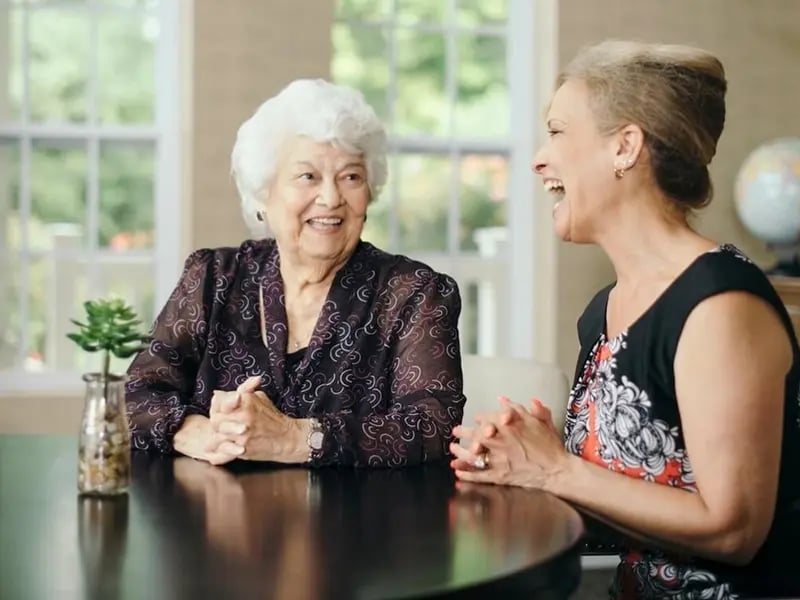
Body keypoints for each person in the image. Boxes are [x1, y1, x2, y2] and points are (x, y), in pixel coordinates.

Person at [450, 40, 800, 598]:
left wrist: (558, 470)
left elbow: (734, 529)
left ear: (625, 147)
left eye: (559, 131)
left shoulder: (719, 306)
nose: (540, 157)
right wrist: (523, 466)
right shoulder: (604, 310)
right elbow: (631, 505)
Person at [126, 79, 465, 468]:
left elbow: (434, 427)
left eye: (351, 177)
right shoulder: (213, 278)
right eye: (308, 176)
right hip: (216, 519)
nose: (332, 198)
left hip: (357, 524)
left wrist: (293, 438)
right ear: (262, 193)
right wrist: (196, 431)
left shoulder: (413, 293)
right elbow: (135, 393)